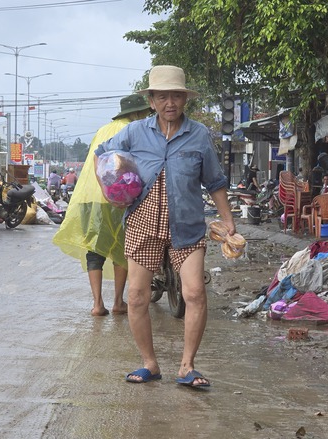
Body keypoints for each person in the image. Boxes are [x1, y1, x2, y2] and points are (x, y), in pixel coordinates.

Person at [94, 65, 235, 388]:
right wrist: (110, 190)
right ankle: (149, 363)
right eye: (162, 96)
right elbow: (102, 156)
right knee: (138, 295)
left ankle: (187, 366)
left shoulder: (198, 134)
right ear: (152, 101)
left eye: (175, 96)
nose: (169, 102)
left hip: (187, 224)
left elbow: (214, 181)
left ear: (184, 99)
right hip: (143, 221)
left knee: (196, 293)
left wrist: (228, 220)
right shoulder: (134, 132)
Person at [53, 94, 153, 317]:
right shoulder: (134, 130)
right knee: (121, 249)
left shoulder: (102, 130)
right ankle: (118, 302)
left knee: (95, 250)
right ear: (136, 114)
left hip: (89, 196)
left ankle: (97, 304)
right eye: (145, 112)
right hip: (118, 196)